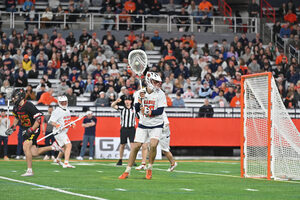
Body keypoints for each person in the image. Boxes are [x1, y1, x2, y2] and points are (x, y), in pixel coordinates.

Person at [119, 72, 167, 180]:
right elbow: (136, 107)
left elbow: (160, 110)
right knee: (136, 146)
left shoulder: (161, 94)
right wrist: (140, 104)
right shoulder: (140, 93)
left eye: (158, 82)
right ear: (149, 81)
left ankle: (149, 168)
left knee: (153, 145)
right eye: (155, 82)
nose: (157, 84)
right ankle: (127, 170)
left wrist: (149, 111)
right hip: (143, 123)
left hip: (156, 124)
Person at [5, 89, 63, 176]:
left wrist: (31, 129)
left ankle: (29, 170)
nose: (13, 99)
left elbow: (38, 119)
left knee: (26, 146)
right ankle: (53, 147)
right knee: (34, 153)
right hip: (25, 129)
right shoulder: (16, 107)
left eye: (15, 97)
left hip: (33, 128)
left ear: (21, 97)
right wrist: (13, 127)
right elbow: (17, 118)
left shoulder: (28, 105)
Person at [49, 96, 76, 168]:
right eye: (62, 102)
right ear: (59, 103)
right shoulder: (57, 111)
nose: (64, 103)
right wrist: (58, 125)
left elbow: (67, 121)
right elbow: (51, 121)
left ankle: (58, 159)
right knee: (69, 145)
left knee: (64, 147)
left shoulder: (67, 110)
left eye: (65, 102)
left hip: (63, 132)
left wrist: (72, 123)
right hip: (58, 132)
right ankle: (66, 163)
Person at [111, 96, 136, 166]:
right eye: (126, 100)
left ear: (131, 101)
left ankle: (132, 160)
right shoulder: (122, 108)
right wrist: (116, 101)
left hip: (131, 128)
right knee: (122, 145)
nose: (127, 101)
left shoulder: (134, 108)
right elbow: (112, 105)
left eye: (128, 100)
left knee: (132, 145)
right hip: (124, 128)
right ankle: (120, 159)